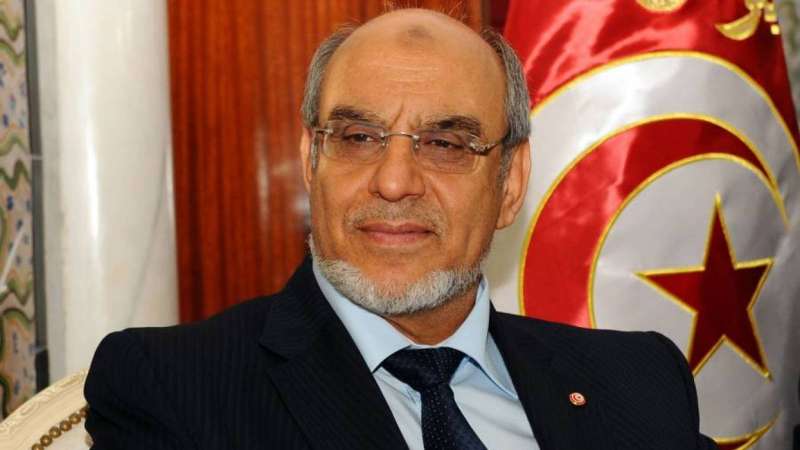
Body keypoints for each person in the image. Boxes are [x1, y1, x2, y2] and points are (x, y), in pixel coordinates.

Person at [85, 8, 718, 450]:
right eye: (358, 137)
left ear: (511, 183)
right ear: (311, 161)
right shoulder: (174, 387)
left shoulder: (637, 380)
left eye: (445, 143)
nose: (393, 182)